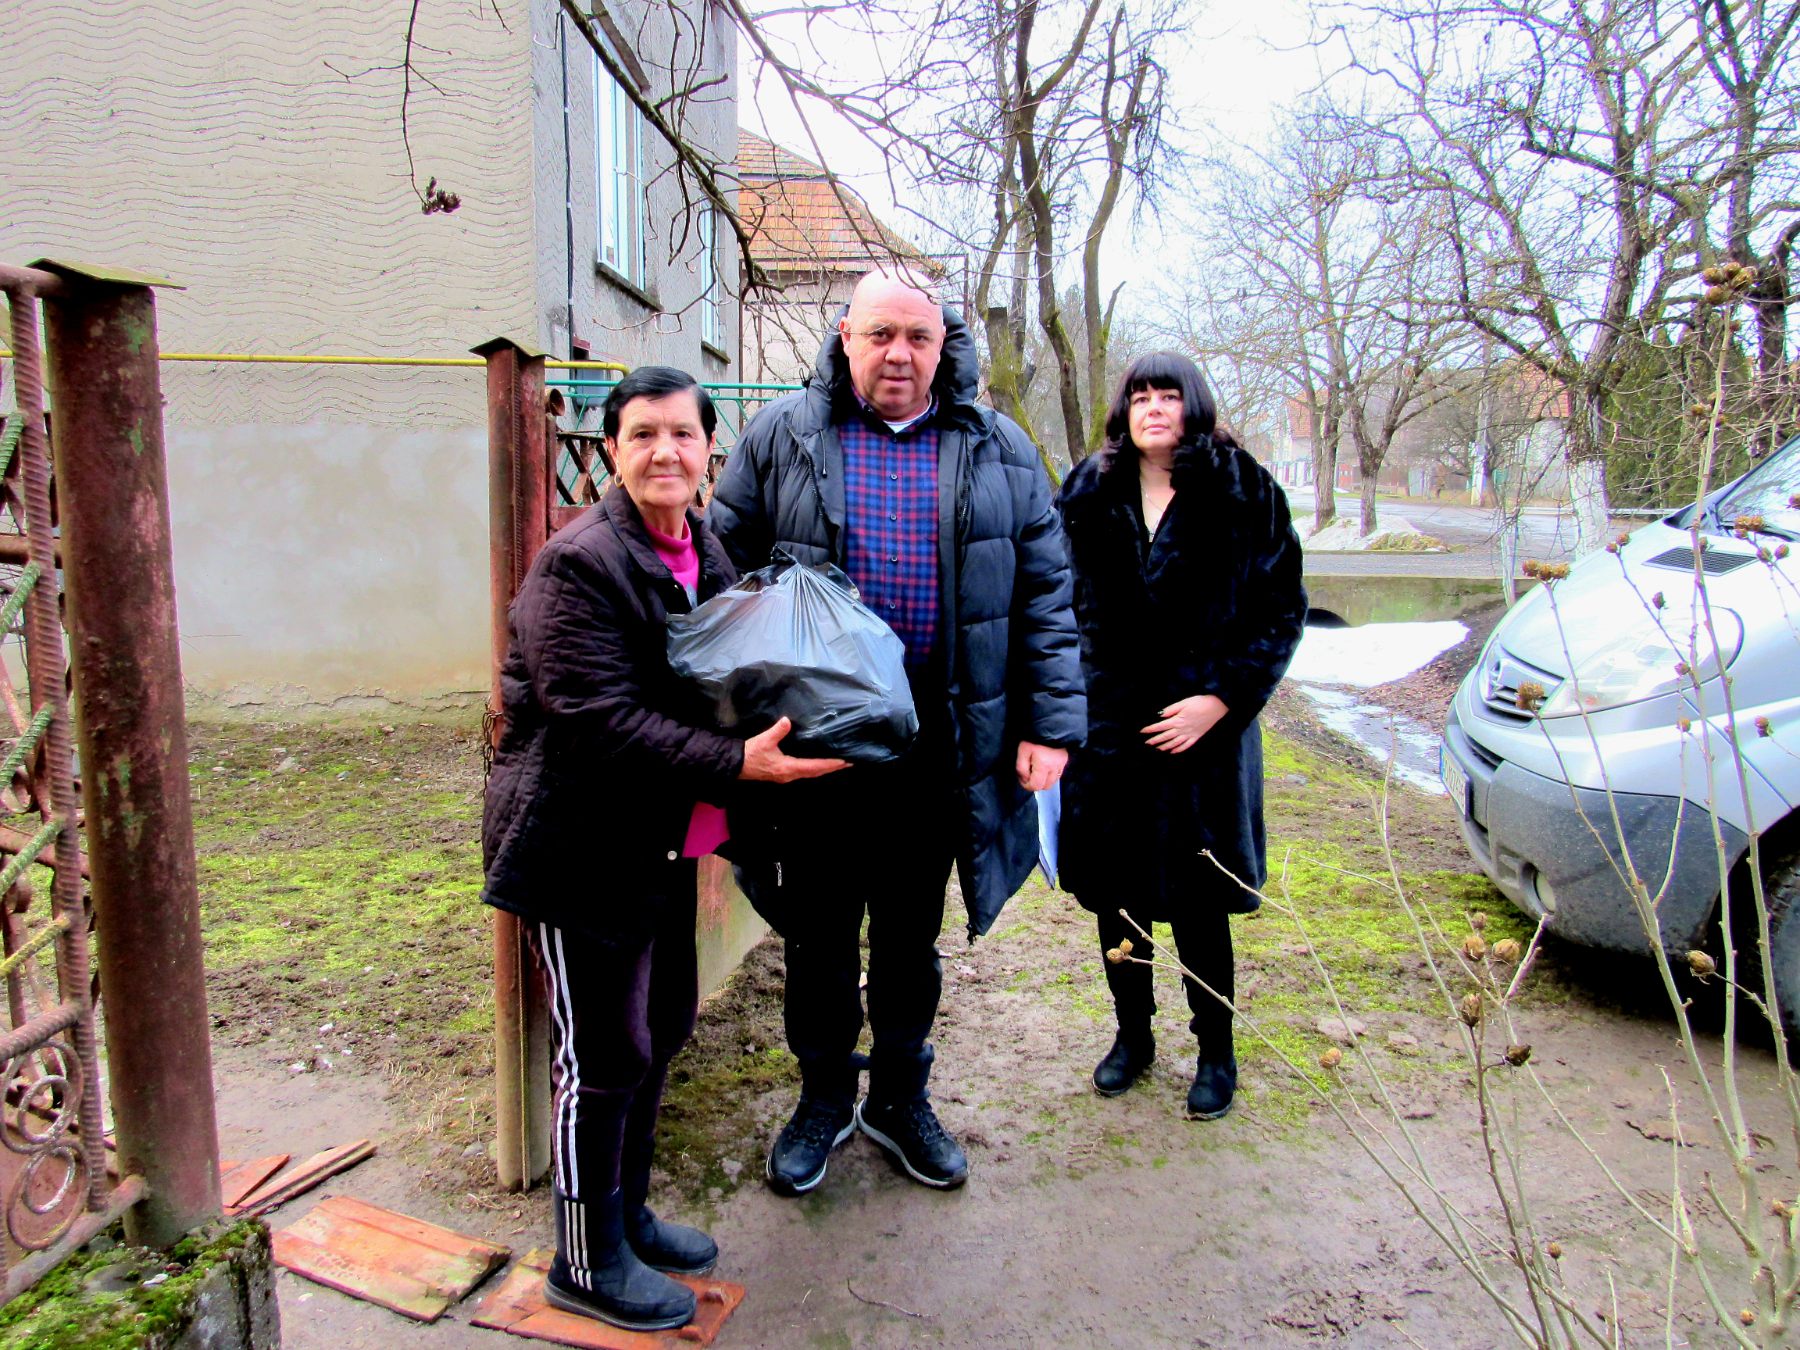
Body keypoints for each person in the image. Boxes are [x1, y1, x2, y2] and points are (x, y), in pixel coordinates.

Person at [481, 366, 846, 1331]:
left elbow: (726, 670)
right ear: (612, 450)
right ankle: (584, 1260)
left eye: (682, 434)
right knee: (602, 1057)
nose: (664, 452)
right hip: (578, 847)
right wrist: (736, 763)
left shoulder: (704, 546)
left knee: (661, 1027)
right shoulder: (578, 564)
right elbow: (593, 716)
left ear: (708, 450)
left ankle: (627, 1217)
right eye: (642, 434)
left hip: (664, 842)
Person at [708, 269, 1086, 1195]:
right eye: (880, 335)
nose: (899, 354)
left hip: (939, 750)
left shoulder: (998, 448)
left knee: (911, 939)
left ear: (944, 342)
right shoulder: (784, 436)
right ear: (846, 337)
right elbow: (723, 572)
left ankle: (900, 1096)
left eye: (918, 337)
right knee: (820, 937)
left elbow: (1047, 594)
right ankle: (824, 1097)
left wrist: (1050, 725)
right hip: (818, 751)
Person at [1055, 351, 1306, 1120]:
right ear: (1123, 411)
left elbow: (1281, 610)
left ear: (1194, 405)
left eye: (1169, 395)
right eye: (1140, 397)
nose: (1154, 408)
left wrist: (1221, 700)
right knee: (1118, 900)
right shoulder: (1088, 491)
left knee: (1199, 903)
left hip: (1204, 745)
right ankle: (1133, 1038)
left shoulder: (1243, 489)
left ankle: (1215, 1051)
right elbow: (1053, 605)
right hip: (1110, 735)